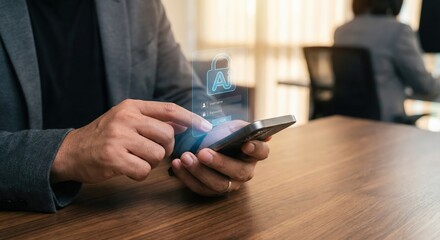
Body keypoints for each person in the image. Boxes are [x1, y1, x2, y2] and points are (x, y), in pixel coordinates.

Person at [0, 0, 269, 212]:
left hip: (132, 212)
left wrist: (213, 144)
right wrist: (68, 150)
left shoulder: (141, 5)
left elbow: (183, 94)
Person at [334, 0, 440, 122]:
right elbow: (424, 85)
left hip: (347, 117)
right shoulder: (398, 31)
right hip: (384, 121)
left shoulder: (342, 31)